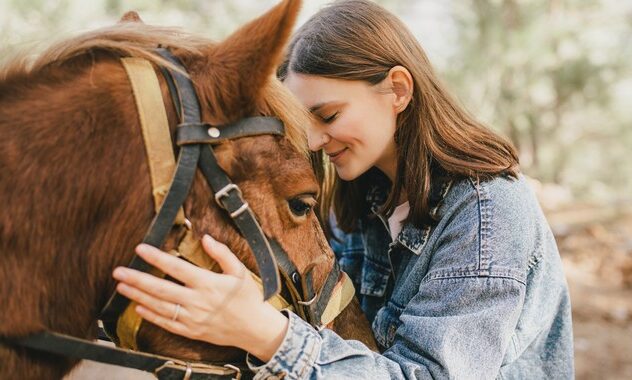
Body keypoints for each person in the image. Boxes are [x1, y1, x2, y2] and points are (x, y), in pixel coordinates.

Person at [113, 1, 574, 378]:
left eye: (328, 116)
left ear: (397, 89)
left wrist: (265, 332)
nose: (312, 140)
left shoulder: (486, 214)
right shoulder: (362, 199)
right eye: (303, 121)